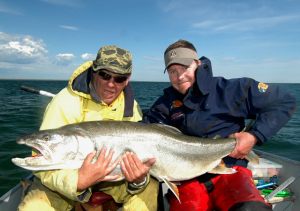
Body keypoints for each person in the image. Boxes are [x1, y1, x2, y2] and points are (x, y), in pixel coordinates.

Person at [143, 39, 296, 211]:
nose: (179, 76)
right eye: (172, 71)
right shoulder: (163, 105)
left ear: (197, 63)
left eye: (185, 68)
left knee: (251, 208)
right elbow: (141, 134)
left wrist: (254, 136)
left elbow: (284, 101)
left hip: (230, 170)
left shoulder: (230, 89)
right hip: (186, 179)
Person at [18, 45, 159, 211]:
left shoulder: (132, 107)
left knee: (149, 190)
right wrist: (79, 181)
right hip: (65, 178)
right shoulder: (65, 102)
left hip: (114, 180)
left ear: (127, 79)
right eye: (105, 75)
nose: (111, 84)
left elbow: (140, 161)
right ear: (94, 72)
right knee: (34, 207)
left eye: (119, 79)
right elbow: (42, 167)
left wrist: (138, 181)